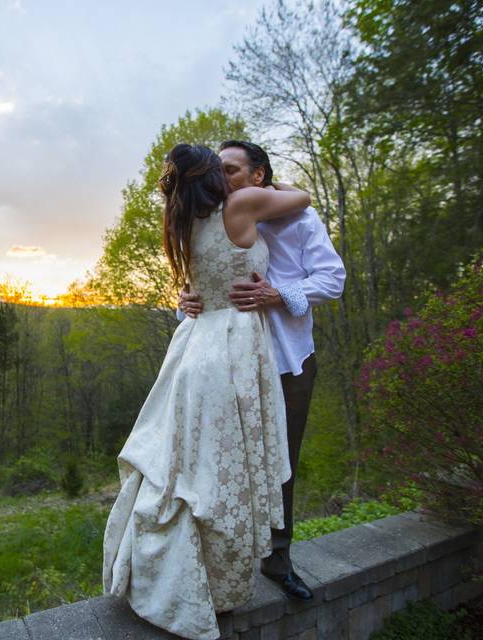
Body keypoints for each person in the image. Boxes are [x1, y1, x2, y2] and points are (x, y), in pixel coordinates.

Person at [102, 143, 312, 640]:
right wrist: (270, 182)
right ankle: (217, 586)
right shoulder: (241, 205)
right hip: (234, 346)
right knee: (224, 472)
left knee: (187, 467)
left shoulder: (184, 223)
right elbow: (301, 197)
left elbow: (202, 282)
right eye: (220, 167)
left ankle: (189, 576)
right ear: (212, 175)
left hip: (195, 347)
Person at [178, 140, 346, 601]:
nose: (221, 178)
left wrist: (278, 295)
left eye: (231, 170)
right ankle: (218, 559)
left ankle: (278, 559)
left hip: (286, 359)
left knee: (280, 463)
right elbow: (203, 286)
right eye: (218, 170)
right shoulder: (210, 219)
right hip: (226, 362)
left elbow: (333, 278)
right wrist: (185, 303)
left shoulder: (299, 219)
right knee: (220, 461)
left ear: (258, 176)